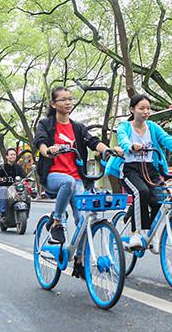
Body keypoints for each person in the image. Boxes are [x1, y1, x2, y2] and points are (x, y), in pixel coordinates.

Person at [117, 94, 172, 250]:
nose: (146, 111)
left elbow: (168, 140)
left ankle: (148, 232)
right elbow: (123, 139)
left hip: (149, 168)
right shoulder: (124, 126)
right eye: (142, 108)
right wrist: (131, 147)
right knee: (142, 192)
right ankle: (136, 233)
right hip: (130, 168)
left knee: (161, 199)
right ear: (132, 109)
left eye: (148, 108)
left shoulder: (152, 127)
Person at [33, 86, 111, 244]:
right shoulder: (45, 124)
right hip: (53, 176)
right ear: (53, 104)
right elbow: (40, 142)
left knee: (82, 221)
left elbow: (93, 141)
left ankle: (79, 261)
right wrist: (47, 150)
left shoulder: (78, 127)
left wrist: (109, 150)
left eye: (70, 99)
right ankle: (56, 222)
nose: (68, 102)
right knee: (67, 182)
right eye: (63, 99)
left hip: (77, 179)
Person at [0, 148, 24, 221]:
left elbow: (25, 176)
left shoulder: (18, 167)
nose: (13, 156)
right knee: (3, 189)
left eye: (14, 154)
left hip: (16, 188)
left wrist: (28, 179)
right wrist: (0, 179)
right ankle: (3, 213)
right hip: (6, 188)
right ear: (7, 156)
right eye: (11, 155)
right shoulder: (1, 167)